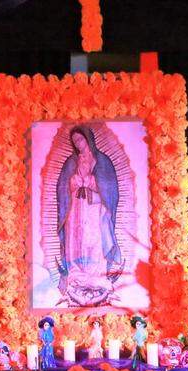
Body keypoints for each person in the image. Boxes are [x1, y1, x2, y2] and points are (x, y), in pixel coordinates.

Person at [56, 125, 122, 307]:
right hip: (75, 208)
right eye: (75, 141)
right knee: (76, 240)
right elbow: (62, 188)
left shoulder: (102, 161)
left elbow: (110, 189)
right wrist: (74, 182)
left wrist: (92, 184)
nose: (78, 143)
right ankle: (76, 274)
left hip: (95, 208)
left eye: (80, 139)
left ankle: (96, 275)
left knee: (93, 239)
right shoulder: (71, 163)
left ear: (88, 139)